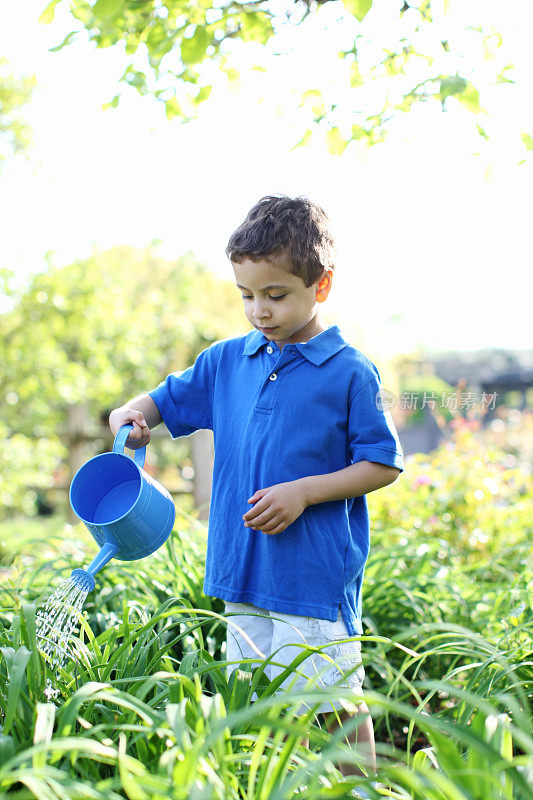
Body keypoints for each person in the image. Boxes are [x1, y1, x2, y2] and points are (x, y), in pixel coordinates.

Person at [109, 195, 405, 790]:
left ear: (321, 286)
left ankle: (360, 790)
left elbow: (382, 463)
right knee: (258, 704)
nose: (259, 311)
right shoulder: (226, 361)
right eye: (246, 295)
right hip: (242, 569)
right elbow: (162, 403)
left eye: (275, 295)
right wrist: (133, 414)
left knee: (334, 701)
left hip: (311, 577)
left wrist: (303, 492)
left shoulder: (350, 371)